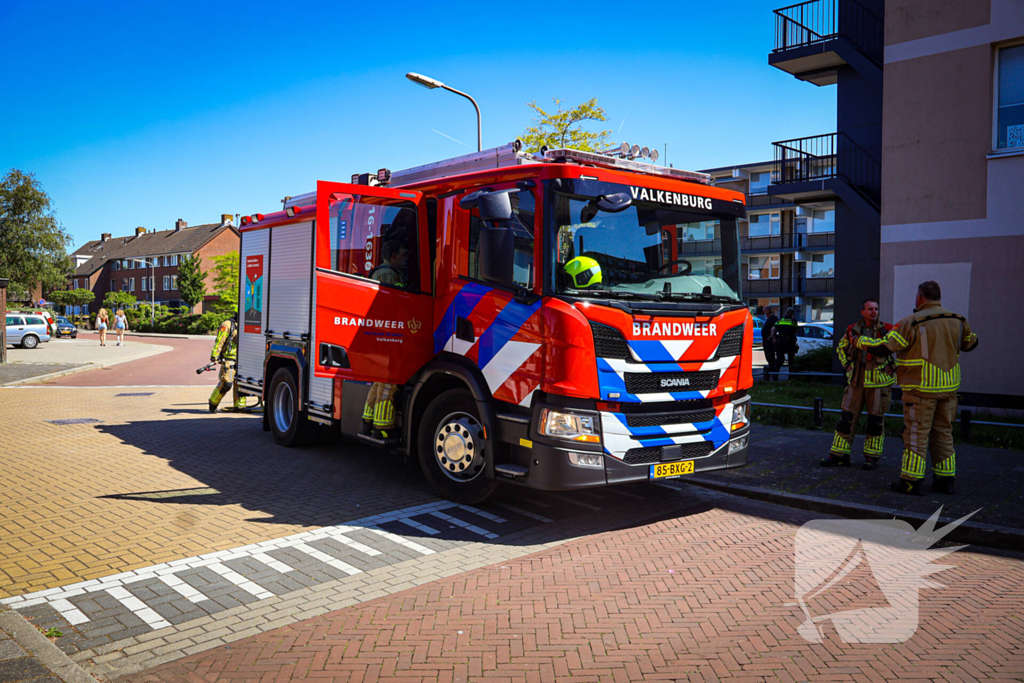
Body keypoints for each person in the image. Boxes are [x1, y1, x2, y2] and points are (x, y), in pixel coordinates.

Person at [855, 281, 978, 496]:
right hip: (948, 389)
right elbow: (971, 343)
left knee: (915, 434)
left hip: (920, 389)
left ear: (920, 297)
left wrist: (860, 342)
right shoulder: (958, 320)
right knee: (944, 434)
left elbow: (885, 347)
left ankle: (911, 481)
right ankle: (945, 480)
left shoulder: (911, 322)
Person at [820, 298, 896, 470]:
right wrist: (847, 365)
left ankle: (872, 457)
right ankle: (839, 455)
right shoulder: (851, 330)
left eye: (876, 309)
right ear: (862, 312)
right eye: (870, 309)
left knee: (875, 421)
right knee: (847, 418)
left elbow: (899, 349)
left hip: (878, 382)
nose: (874, 312)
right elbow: (841, 348)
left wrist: (893, 367)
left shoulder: (887, 330)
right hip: (856, 380)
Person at [361, 239, 409, 439]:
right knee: (389, 384)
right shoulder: (388, 274)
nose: (406, 259)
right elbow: (393, 307)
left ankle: (367, 421)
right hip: (388, 337)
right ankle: (383, 429)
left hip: (380, 337)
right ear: (393, 256)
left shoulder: (381, 272)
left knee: (378, 382)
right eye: (403, 254)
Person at [209, 317, 247, 413]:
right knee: (226, 384)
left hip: (243, 359)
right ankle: (213, 402)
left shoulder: (247, 324)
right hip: (229, 358)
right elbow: (220, 341)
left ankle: (239, 406)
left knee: (241, 383)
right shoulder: (227, 325)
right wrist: (215, 355)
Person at [771, 307, 799, 375]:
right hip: (790, 341)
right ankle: (791, 376)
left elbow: (773, 329)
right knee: (791, 359)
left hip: (781, 340)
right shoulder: (793, 321)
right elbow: (797, 330)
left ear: (786, 313)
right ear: (792, 314)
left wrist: (774, 338)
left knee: (779, 358)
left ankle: (775, 375)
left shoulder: (780, 320)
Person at [761, 305, 778, 381]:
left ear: (768, 310)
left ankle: (773, 372)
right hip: (765, 341)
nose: (764, 312)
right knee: (768, 356)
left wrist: (771, 336)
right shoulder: (767, 319)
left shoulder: (773, 318)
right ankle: (771, 370)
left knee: (771, 356)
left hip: (769, 341)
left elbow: (775, 328)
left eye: (765, 310)